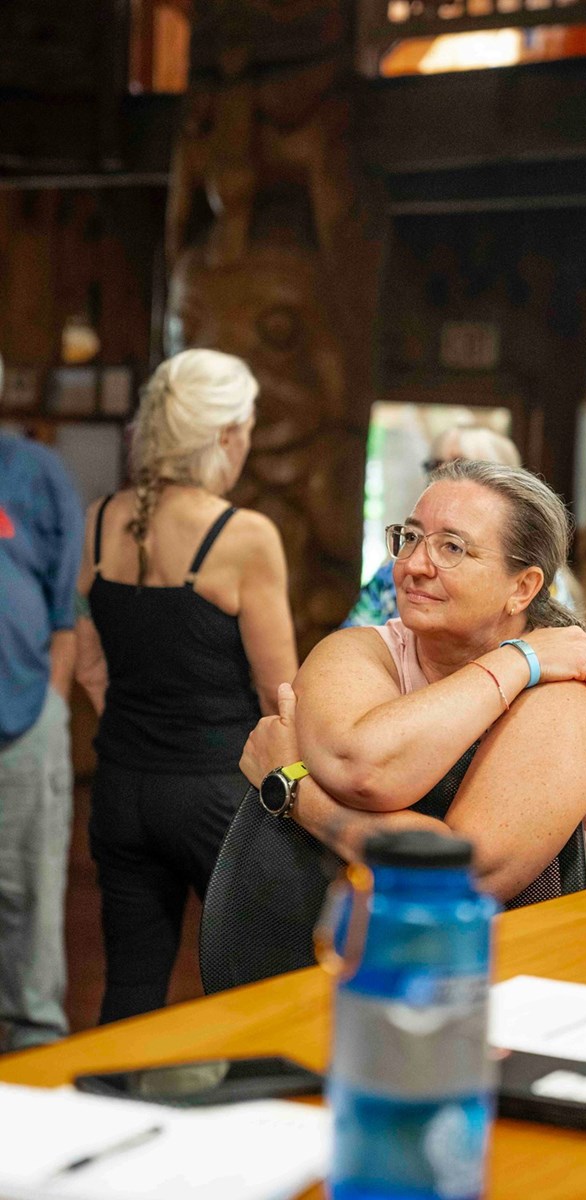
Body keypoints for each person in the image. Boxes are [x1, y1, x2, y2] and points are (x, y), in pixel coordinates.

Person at [239, 459, 586, 977]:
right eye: (411, 537)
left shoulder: (571, 689)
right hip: (392, 958)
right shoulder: (359, 651)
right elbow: (363, 763)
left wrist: (294, 788)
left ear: (523, 588)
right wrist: (515, 660)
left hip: (571, 968)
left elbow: (466, 871)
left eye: (452, 547)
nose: (414, 565)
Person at [75, 348, 298, 1023]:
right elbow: (278, 693)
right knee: (263, 985)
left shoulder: (100, 519)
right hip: (217, 796)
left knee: (132, 990)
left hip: (121, 788)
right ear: (227, 434)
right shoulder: (244, 536)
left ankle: (111, 1116)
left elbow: (89, 663)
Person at [0, 422, 84, 1051]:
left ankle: (31, 1048)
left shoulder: (34, 471)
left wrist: (52, 706)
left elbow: (64, 609)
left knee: (27, 898)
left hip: (23, 718)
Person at [342, 423, 586, 627]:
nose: (443, 475)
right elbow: (348, 648)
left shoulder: (545, 586)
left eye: (462, 465)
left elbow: (556, 653)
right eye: (434, 465)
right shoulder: (394, 573)